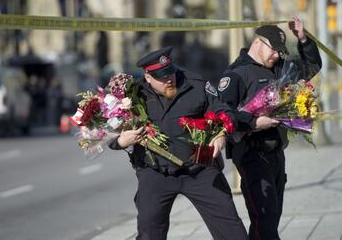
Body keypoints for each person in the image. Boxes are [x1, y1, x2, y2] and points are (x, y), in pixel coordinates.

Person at [108, 46, 248, 240]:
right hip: (156, 172)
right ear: (148, 77)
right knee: (149, 231)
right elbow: (110, 130)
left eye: (170, 72)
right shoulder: (133, 95)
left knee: (232, 231)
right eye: (161, 76)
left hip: (200, 170)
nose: (169, 79)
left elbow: (223, 111)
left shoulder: (196, 84)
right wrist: (121, 141)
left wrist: (222, 134)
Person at [216, 17, 322, 240]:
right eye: (274, 50)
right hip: (251, 154)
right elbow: (224, 114)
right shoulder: (235, 74)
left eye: (280, 51)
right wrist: (254, 123)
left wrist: (302, 38)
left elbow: (312, 66)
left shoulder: (279, 66)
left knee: (271, 218)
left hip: (275, 152)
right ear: (258, 42)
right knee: (264, 217)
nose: (277, 55)